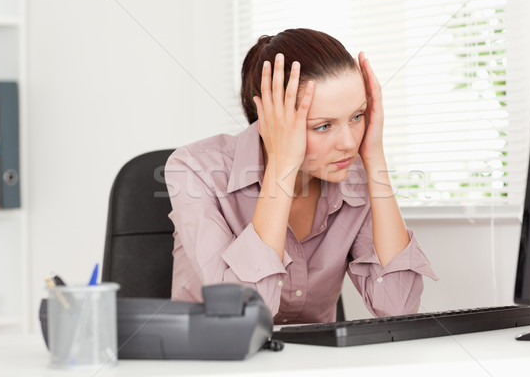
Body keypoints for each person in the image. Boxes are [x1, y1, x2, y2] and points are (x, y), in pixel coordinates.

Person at [165, 28, 437, 324]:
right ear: (271, 120)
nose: (349, 143)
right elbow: (240, 317)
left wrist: (375, 159)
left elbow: (397, 308)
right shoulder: (194, 169)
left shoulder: (355, 176)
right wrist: (281, 166)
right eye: (323, 126)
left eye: (357, 116)